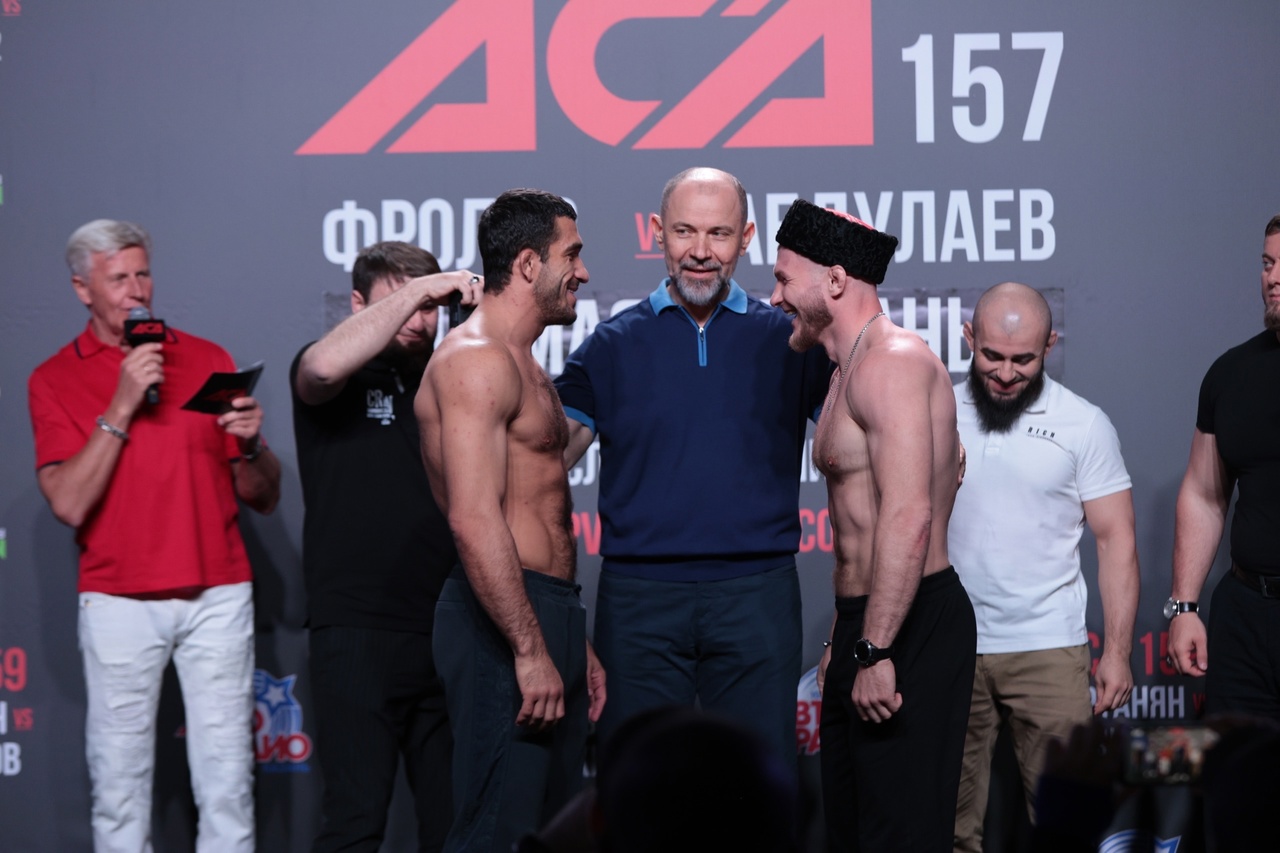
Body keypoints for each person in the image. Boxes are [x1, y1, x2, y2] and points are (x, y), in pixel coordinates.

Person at [553, 167, 831, 766]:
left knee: (759, 779)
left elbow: (862, 441)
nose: (700, 251)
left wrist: (932, 439)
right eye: (684, 231)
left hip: (757, 595)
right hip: (639, 600)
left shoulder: (791, 341)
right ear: (657, 232)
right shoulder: (611, 345)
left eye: (719, 233)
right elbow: (542, 463)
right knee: (639, 781)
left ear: (747, 238)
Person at [27, 219, 281, 851]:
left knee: (227, 781)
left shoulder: (208, 358)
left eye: (142, 274)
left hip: (217, 594)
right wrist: (122, 402)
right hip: (117, 600)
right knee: (119, 785)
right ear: (83, 289)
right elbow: (68, 503)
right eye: (118, 279)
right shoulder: (53, 378)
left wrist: (251, 446)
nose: (137, 290)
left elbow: (263, 494)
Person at [769, 199, 975, 851]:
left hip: (910, 625)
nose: (774, 297)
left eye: (783, 279)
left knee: (899, 836)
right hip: (865, 623)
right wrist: (846, 634)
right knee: (853, 831)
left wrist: (879, 648)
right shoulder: (845, 372)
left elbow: (908, 516)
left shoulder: (893, 362)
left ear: (834, 280)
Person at [415, 188, 607, 853]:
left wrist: (569, 638)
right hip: (500, 620)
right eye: (571, 255)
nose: (582, 272)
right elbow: (474, 519)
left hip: (542, 608)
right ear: (528, 263)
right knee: (496, 830)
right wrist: (529, 648)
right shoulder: (475, 360)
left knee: (548, 833)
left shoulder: (523, 360)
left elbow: (532, 504)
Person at [291, 241, 483, 852]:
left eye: (429, 306)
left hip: (451, 626)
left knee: (454, 825)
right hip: (357, 629)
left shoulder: (452, 378)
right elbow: (322, 370)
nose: (419, 320)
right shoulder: (334, 371)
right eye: (403, 302)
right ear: (359, 303)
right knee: (355, 823)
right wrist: (421, 290)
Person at [948, 282, 1140, 851]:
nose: (1006, 374)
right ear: (968, 338)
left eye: (1024, 359)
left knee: (1072, 826)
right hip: (948, 647)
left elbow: (1116, 542)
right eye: (992, 356)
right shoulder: (934, 411)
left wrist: (1118, 653)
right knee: (948, 827)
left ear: (1050, 347)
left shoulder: (1084, 424)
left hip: (1048, 649)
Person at [1169, 213, 1280, 718]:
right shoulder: (1231, 373)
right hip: (1245, 618)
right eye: (1267, 263)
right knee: (1239, 767)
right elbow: (1204, 493)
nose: (1273, 278)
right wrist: (1184, 606)